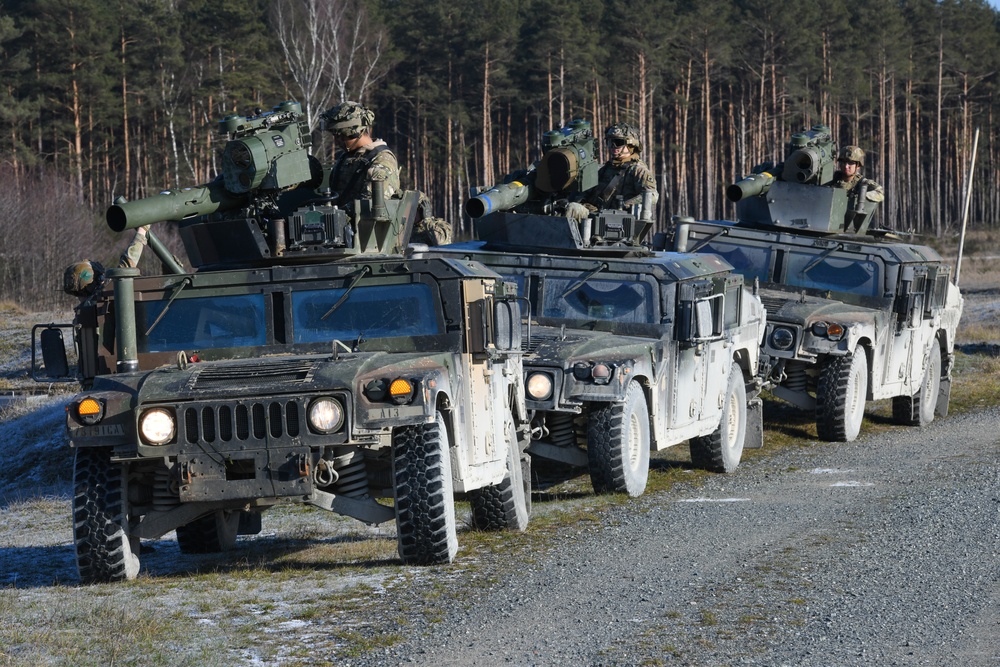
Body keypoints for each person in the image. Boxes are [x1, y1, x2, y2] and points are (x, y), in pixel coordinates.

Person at [566, 122, 658, 223]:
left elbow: (652, 196)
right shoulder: (605, 169)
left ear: (631, 145)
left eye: (618, 142)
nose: (613, 146)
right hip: (595, 216)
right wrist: (582, 202)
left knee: (573, 208)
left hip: (617, 222)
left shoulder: (638, 170)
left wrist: (625, 205)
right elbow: (586, 192)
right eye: (610, 142)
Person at [320, 101, 400, 203]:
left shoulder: (382, 160)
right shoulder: (348, 157)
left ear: (354, 133)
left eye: (340, 137)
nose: (336, 142)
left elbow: (370, 205)